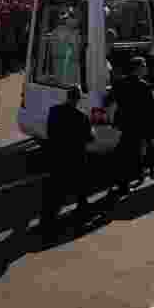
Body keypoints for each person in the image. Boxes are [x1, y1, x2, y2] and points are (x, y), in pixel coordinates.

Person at [39, 85, 93, 235]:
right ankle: (82, 208)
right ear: (78, 99)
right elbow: (89, 138)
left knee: (56, 186)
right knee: (80, 182)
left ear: (67, 96)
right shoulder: (81, 116)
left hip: (57, 154)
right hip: (76, 155)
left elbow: (50, 132)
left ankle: (49, 218)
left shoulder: (54, 111)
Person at [111, 56, 154, 197]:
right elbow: (150, 109)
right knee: (133, 154)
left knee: (127, 152)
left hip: (125, 124)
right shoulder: (142, 86)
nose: (146, 68)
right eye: (144, 65)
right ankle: (126, 183)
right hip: (138, 124)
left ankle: (130, 179)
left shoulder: (120, 83)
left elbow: (112, 98)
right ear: (138, 68)